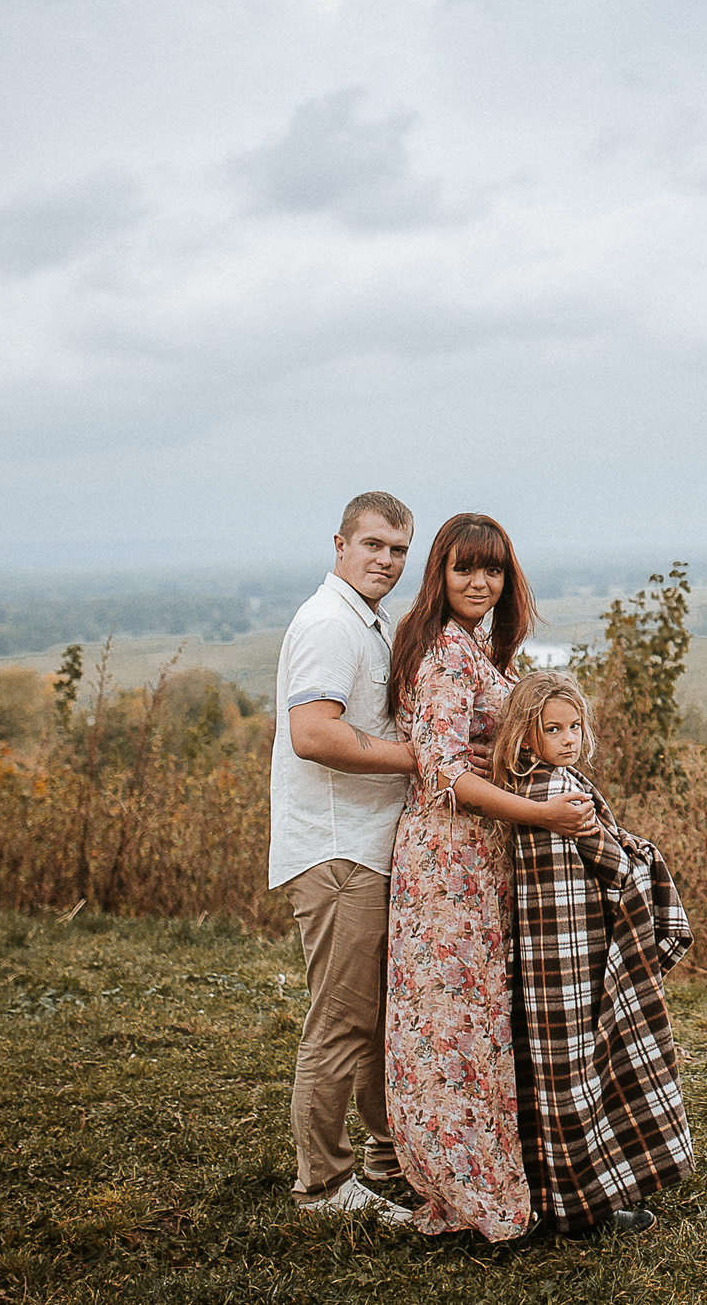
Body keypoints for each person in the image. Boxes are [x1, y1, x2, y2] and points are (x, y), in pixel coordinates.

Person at [271, 495, 590, 1226]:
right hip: (338, 846)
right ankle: (323, 1185)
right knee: (345, 1020)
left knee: (400, 1018)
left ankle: (393, 1157)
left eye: (397, 549)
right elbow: (313, 735)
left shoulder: (384, 625)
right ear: (340, 544)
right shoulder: (329, 624)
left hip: (384, 842)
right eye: (372, 545)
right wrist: (428, 758)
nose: (385, 560)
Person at [381, 512, 596, 1239]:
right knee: (451, 1028)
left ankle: (497, 1181)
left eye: (493, 569)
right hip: (446, 863)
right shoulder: (447, 652)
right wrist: (542, 815)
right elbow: (442, 773)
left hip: (477, 858)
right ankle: (475, 1195)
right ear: (439, 573)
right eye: (465, 568)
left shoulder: (475, 647)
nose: (480, 582)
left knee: (476, 1020)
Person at [496, 668, 694, 1238]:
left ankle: (555, 1194)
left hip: (541, 956)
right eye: (552, 729)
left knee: (547, 1072)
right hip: (576, 954)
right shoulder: (560, 793)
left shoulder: (519, 789)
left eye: (575, 726)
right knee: (586, 1070)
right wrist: (644, 860)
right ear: (525, 734)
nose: (568, 739)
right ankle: (587, 1206)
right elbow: (614, 864)